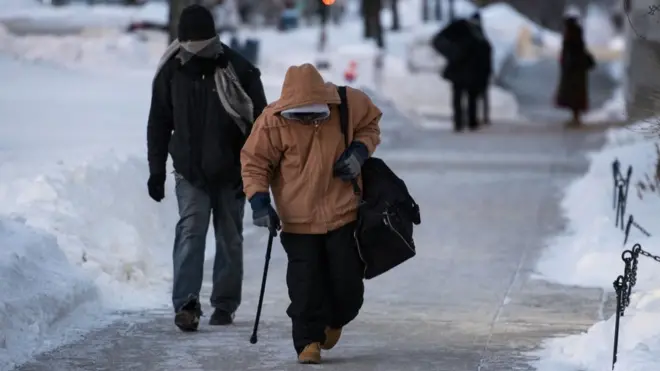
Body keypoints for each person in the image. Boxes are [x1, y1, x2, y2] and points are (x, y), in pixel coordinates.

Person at [241, 63, 382, 364]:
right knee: (305, 287)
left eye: (314, 114)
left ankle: (336, 319)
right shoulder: (271, 121)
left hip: (342, 214)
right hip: (297, 221)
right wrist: (259, 202)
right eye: (299, 116)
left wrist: (359, 151)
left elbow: (371, 125)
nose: (306, 120)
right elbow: (254, 163)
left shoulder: (348, 104)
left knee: (348, 287)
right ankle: (307, 342)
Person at [146, 4, 267, 332]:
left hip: (231, 172)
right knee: (191, 230)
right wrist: (156, 171)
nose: (196, 50)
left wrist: (256, 171)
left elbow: (262, 125)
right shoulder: (172, 70)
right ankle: (186, 304)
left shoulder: (237, 68)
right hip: (189, 170)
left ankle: (225, 305)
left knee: (230, 237)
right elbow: (159, 121)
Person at [555, 16, 595, 127]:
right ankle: (575, 117)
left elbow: (569, 52)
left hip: (573, 70)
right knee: (575, 95)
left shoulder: (571, 35)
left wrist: (566, 64)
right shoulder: (576, 34)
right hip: (577, 70)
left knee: (573, 95)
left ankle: (575, 118)